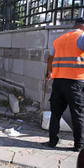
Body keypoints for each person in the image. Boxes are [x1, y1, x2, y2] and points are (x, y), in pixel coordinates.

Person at [45, 18, 84, 152]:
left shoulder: (59, 39)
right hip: (75, 82)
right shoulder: (82, 37)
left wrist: (49, 72)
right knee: (77, 114)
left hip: (58, 82)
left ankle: (52, 142)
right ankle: (79, 145)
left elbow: (50, 58)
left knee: (55, 113)